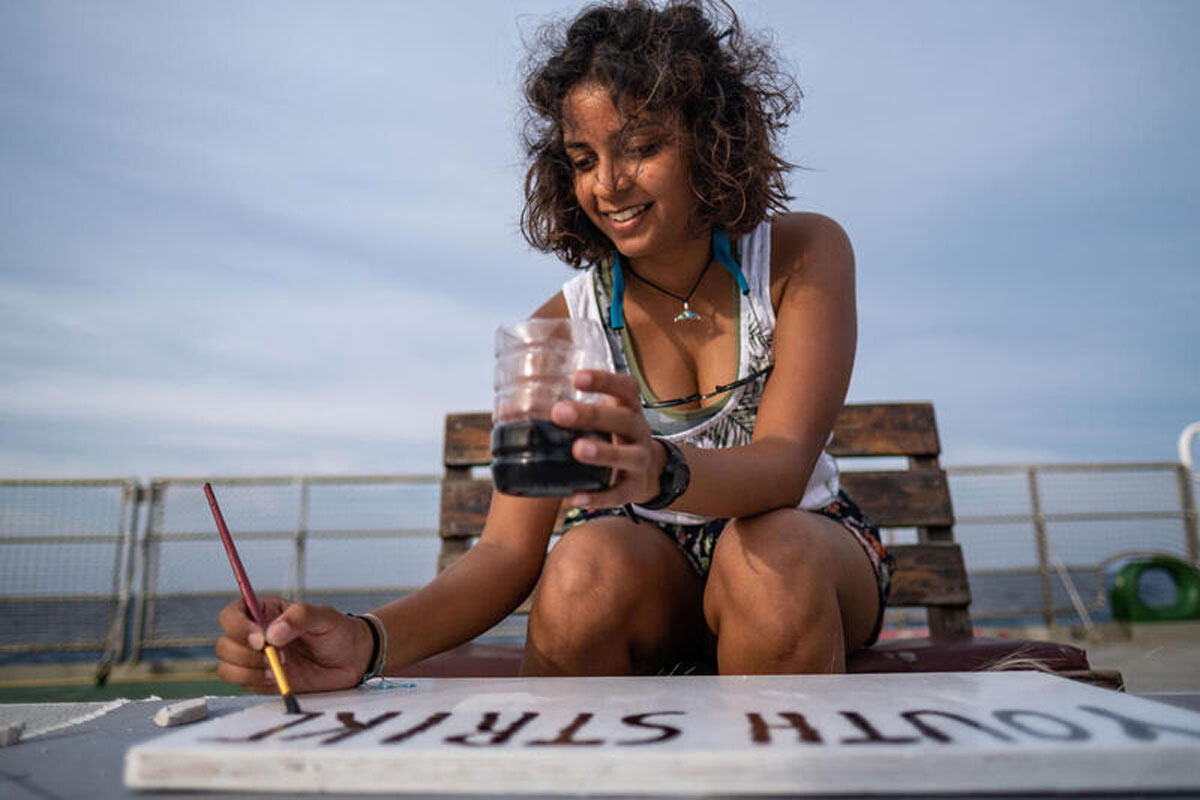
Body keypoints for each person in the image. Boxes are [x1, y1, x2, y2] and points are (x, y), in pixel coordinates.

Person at [215, 0, 893, 693]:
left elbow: (781, 468)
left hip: (808, 545)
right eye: (584, 158)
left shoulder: (802, 253)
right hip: (658, 580)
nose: (609, 183)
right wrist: (366, 640)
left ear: (710, 138)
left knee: (770, 556)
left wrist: (661, 471)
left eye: (642, 146)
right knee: (581, 568)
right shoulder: (558, 330)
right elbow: (508, 551)